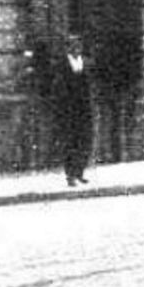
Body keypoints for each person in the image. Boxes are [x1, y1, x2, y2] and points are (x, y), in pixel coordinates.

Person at [54, 34, 93, 187]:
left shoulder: (86, 63)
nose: (77, 49)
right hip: (69, 110)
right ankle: (70, 174)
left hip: (84, 109)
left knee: (84, 141)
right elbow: (58, 88)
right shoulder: (62, 65)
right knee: (70, 142)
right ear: (68, 48)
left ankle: (80, 172)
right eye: (73, 46)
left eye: (79, 45)